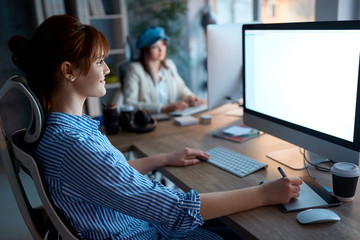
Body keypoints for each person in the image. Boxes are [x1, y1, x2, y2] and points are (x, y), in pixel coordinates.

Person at [8, 15, 302, 240]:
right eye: (99, 61)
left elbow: (107, 176)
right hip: (144, 232)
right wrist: (264, 194)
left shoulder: (60, 132)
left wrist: (163, 159)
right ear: (68, 70)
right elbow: (176, 212)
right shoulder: (75, 144)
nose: (107, 70)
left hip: (137, 223)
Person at [120, 26, 204, 113]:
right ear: (146, 49)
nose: (161, 50)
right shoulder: (135, 69)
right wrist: (162, 108)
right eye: (155, 46)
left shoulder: (169, 65)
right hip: (149, 121)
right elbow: (129, 103)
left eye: (163, 44)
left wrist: (190, 98)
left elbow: (181, 88)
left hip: (171, 118)